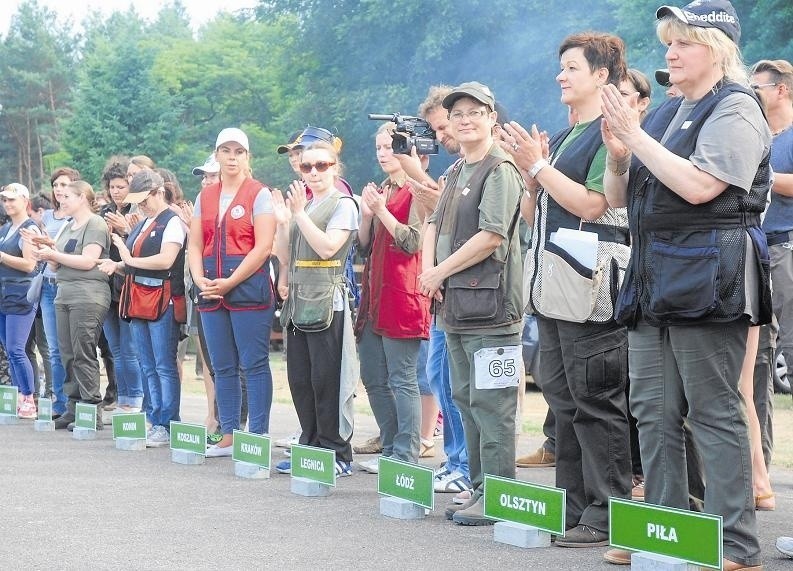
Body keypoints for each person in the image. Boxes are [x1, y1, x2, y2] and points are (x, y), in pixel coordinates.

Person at [600, 2, 770, 568]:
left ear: (717, 50)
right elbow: (621, 200)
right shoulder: (666, 112)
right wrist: (620, 156)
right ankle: (662, 528)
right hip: (654, 279)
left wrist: (637, 139)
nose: (670, 51)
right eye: (668, 41)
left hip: (708, 278)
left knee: (713, 411)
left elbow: (702, 187)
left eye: (684, 42)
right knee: (651, 407)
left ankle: (736, 545)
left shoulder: (738, 108)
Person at [502, 32, 633, 547]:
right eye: (561, 67)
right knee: (562, 398)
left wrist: (537, 166)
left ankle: (607, 511)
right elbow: (536, 215)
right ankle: (574, 506)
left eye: (573, 68)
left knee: (597, 399)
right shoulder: (559, 137)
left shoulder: (608, 132)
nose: (562, 75)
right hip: (551, 287)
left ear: (602, 76)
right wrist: (532, 180)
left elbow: (594, 206)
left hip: (590, 285)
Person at [421, 81, 524, 526]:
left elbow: (492, 235)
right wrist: (430, 271)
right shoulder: (457, 172)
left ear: (491, 119)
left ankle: (499, 495)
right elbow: (431, 223)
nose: (464, 119)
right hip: (457, 308)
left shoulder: (499, 169)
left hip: (492, 310)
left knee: (492, 404)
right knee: (463, 398)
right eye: (457, 113)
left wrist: (439, 273)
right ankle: (480, 488)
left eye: (474, 112)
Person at [392, 85, 472, 497]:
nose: (443, 136)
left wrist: (414, 171)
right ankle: (454, 458)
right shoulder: (454, 169)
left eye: (445, 126)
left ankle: (465, 463)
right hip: (444, 289)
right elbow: (432, 219)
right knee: (439, 376)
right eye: (438, 130)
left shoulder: (486, 165)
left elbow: (460, 214)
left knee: (459, 383)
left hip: (471, 290)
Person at [187, 127, 276, 457]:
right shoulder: (204, 196)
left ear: (247, 156)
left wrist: (231, 281)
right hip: (210, 287)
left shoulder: (259, 193)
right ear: (217, 155)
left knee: (253, 363)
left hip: (248, 288)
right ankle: (228, 434)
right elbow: (195, 244)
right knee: (222, 366)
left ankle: (258, 435)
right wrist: (199, 278)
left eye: (239, 151)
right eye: (226, 151)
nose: (232, 157)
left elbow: (263, 246)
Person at [272, 141, 359, 477]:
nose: (313, 173)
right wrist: (283, 222)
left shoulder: (343, 204)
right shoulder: (305, 205)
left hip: (327, 301)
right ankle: (310, 447)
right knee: (302, 380)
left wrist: (297, 215)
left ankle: (336, 452)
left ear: (335, 167)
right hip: (298, 300)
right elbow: (282, 254)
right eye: (307, 167)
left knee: (328, 381)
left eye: (321, 166)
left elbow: (327, 248)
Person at [354, 122, 430, 472]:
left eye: (390, 146)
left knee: (402, 378)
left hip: (403, 296)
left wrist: (382, 211)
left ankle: (406, 454)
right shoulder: (383, 188)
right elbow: (365, 246)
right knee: (372, 376)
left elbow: (412, 241)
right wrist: (368, 216)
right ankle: (391, 443)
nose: (384, 153)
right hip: (374, 295)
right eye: (379, 148)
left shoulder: (419, 189)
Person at [100, 170, 187, 447]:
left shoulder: (172, 221)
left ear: (159, 192)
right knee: (148, 364)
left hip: (163, 298)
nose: (141, 205)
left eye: (144, 199)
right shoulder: (143, 221)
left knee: (163, 364)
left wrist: (126, 258)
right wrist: (118, 264)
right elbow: (134, 260)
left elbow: (165, 260)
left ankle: (168, 422)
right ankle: (153, 418)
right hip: (138, 298)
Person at [33, 180, 111, 430]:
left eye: (67, 196)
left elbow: (89, 260)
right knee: (67, 353)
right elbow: (55, 266)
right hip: (63, 293)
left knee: (83, 351)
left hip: (87, 295)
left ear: (83, 198)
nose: (61, 200)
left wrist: (53, 254)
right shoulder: (67, 226)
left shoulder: (95, 223)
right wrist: (46, 250)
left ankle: (91, 409)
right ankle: (73, 407)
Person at [753, 58, 793, 514]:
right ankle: (759, 471)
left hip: (787, 250)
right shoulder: (757, 136)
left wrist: (758, 175)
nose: (751, 93)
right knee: (757, 364)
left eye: (757, 86)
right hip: (757, 251)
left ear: (781, 90)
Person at [99, 157, 144, 415]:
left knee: (129, 349)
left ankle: (134, 398)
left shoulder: (138, 213)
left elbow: (141, 250)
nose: (116, 191)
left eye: (121, 186)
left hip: (130, 285)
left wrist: (126, 230)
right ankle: (123, 396)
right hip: (107, 287)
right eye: (112, 187)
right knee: (115, 348)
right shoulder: (103, 214)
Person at [0, 183, 42, 419]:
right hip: (4, 295)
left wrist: (2, 256)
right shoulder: (7, 227)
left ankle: (29, 397)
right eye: (4, 200)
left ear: (25, 201)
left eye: (12, 200)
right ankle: (18, 395)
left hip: (21, 295)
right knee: (9, 349)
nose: (7, 204)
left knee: (17, 349)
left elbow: (29, 265)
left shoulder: (29, 229)